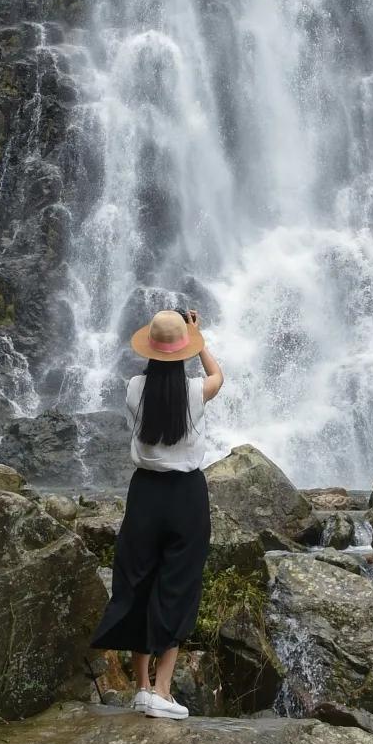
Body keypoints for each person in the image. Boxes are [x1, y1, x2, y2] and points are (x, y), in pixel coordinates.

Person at [89, 306, 224, 719]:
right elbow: (218, 377)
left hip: (144, 493)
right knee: (178, 586)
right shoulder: (195, 391)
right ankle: (163, 692)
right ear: (184, 350)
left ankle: (142, 687)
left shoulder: (134, 388)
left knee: (137, 582)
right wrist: (200, 341)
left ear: (150, 348)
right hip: (186, 495)